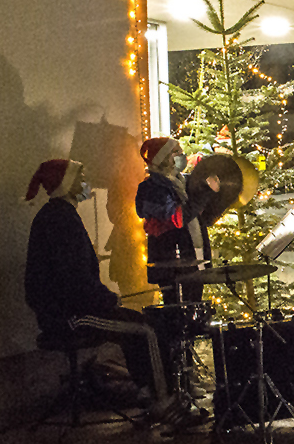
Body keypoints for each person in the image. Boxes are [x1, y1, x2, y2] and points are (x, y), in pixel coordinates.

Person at [25, 158, 204, 428]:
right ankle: (166, 406)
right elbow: (73, 280)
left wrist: (102, 299)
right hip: (70, 316)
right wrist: (105, 300)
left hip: (76, 308)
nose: (85, 180)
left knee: (140, 325)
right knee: (146, 331)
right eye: (80, 176)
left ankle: (148, 395)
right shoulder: (59, 219)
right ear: (65, 183)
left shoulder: (59, 215)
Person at [135, 137, 219, 304]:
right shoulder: (151, 188)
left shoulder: (183, 181)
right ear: (164, 158)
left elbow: (202, 216)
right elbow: (177, 219)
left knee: (195, 304)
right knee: (176, 309)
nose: (182, 155)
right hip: (172, 261)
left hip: (194, 254)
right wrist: (204, 195)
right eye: (176, 152)